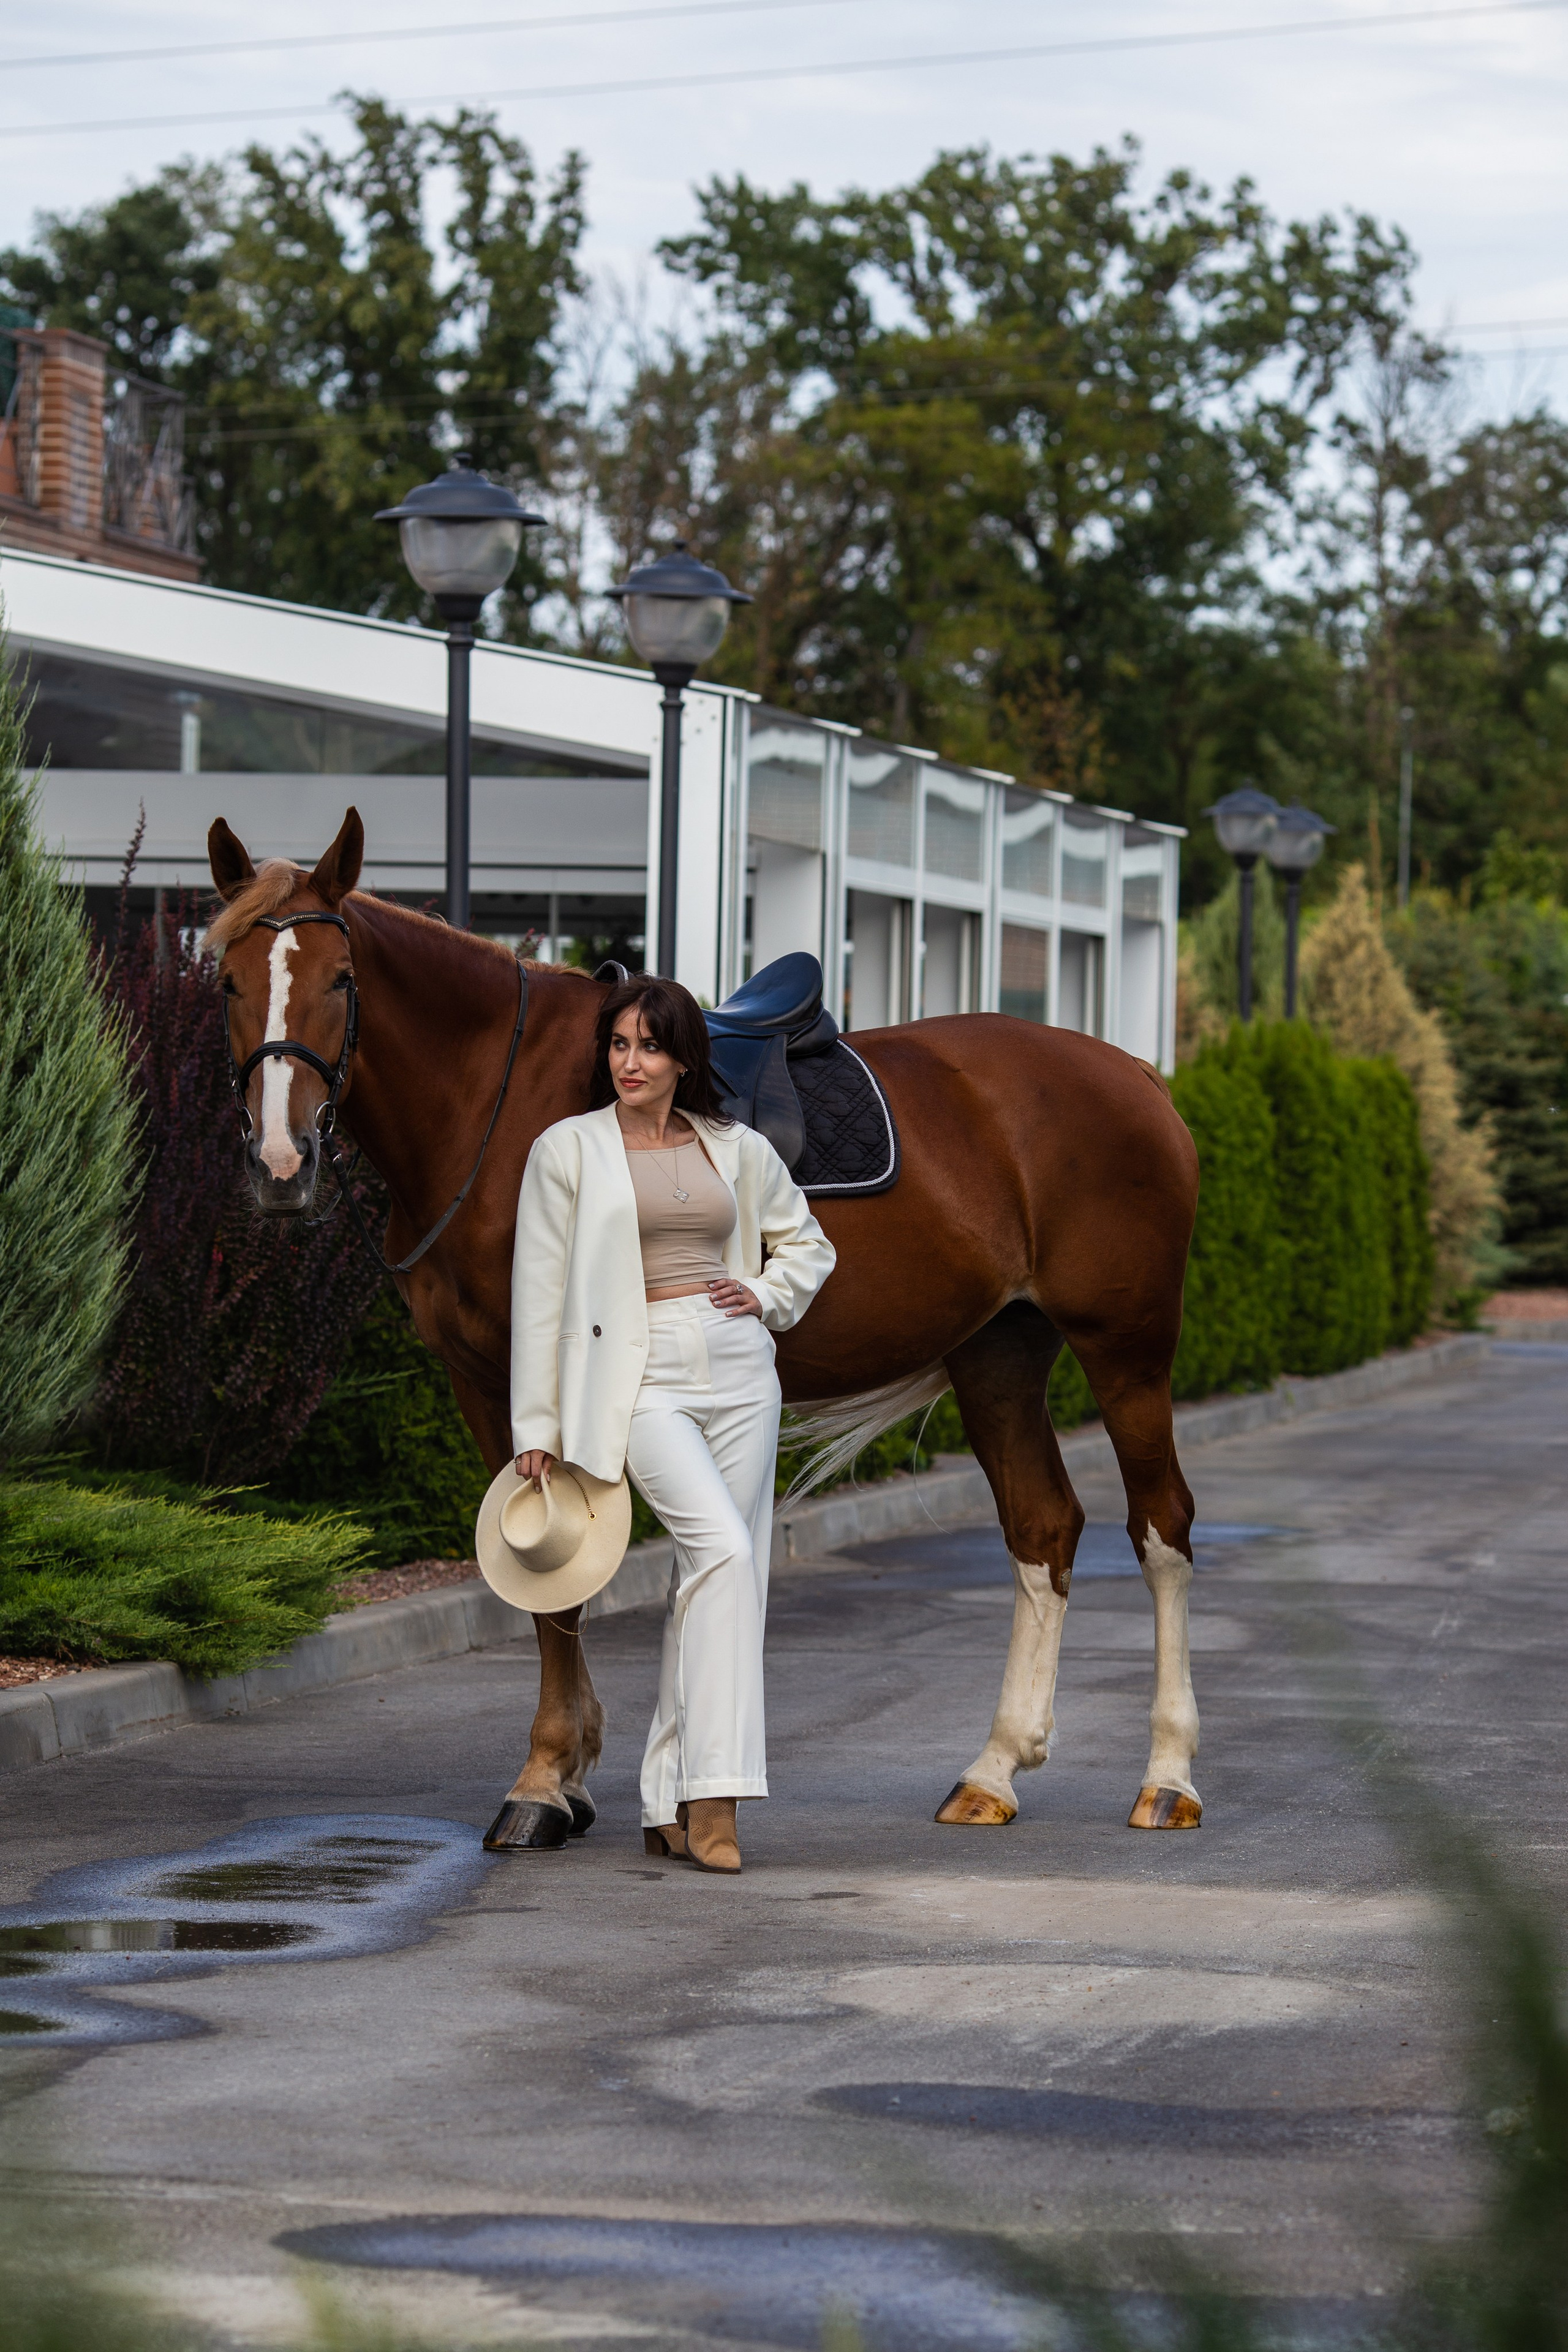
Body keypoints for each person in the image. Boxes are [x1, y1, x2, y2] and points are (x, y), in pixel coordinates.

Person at [510, 973, 836, 1874]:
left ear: (686, 1059)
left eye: (650, 1046)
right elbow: (538, 1296)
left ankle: (665, 1795)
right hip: (639, 1376)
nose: (630, 1061)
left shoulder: (735, 1148)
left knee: (728, 1574)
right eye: (618, 1045)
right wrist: (535, 1426)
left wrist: (766, 1294)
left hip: (739, 1366)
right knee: (724, 1555)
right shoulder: (567, 1150)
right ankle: (714, 1796)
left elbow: (808, 1241)